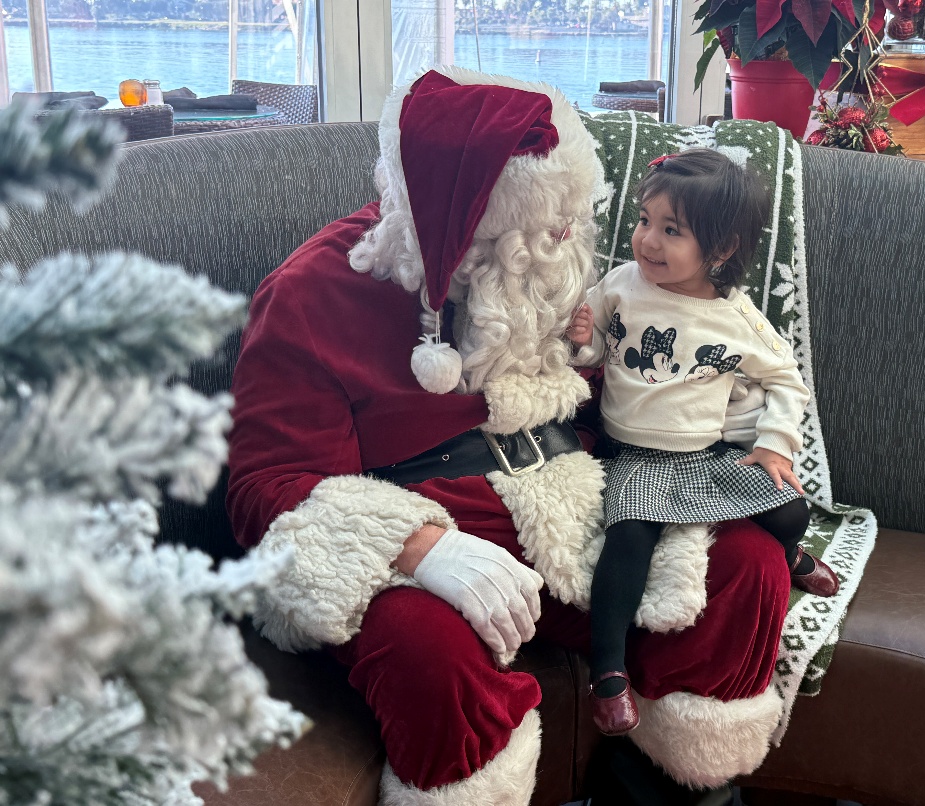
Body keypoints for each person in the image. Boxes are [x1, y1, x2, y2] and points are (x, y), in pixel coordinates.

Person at [227, 68, 793, 805]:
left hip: (571, 494)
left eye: (569, 218)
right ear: (463, 227)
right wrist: (418, 545)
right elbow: (264, 488)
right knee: (425, 653)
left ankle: (668, 787)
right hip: (425, 521)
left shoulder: (545, 262)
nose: (565, 239)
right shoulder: (311, 292)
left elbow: (614, 394)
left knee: (748, 566)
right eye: (544, 226)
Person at [569, 149, 840, 737]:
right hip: (634, 455)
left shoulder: (735, 317)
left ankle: (791, 555)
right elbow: (594, 352)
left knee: (790, 510)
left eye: (672, 231)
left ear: (719, 250)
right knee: (628, 542)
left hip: (705, 454)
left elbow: (787, 379)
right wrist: (582, 340)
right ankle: (609, 671)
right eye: (644, 220)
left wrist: (775, 444)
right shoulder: (620, 284)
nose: (648, 240)